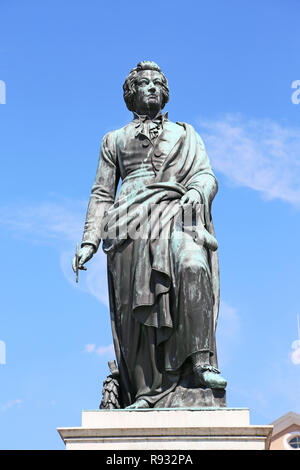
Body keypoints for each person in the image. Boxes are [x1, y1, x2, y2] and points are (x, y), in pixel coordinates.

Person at [72, 61, 226, 409]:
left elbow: (206, 175)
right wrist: (88, 241)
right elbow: (101, 194)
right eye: (144, 84)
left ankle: (201, 362)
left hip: (177, 213)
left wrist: (198, 192)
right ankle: (146, 391)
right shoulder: (114, 140)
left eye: (158, 83)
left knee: (193, 265)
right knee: (136, 310)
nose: (152, 88)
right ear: (132, 94)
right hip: (129, 225)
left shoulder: (187, 135)